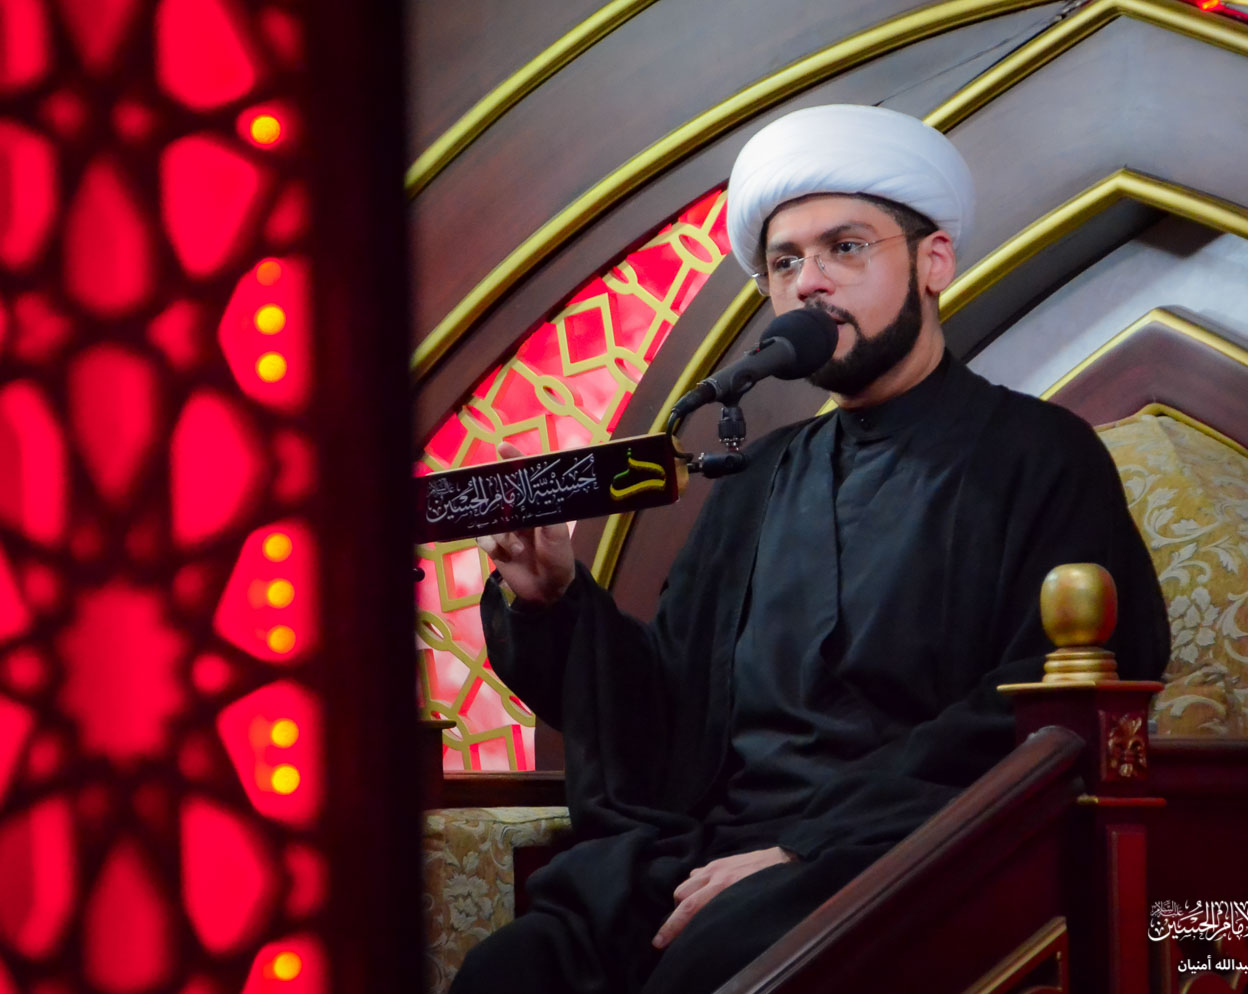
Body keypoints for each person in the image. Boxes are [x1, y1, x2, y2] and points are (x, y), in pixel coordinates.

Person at [455, 104, 1169, 994]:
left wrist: (807, 846)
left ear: (934, 262)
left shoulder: (1037, 455)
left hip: (910, 852)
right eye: (786, 262)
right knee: (517, 968)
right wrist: (555, 599)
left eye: (846, 248)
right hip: (717, 850)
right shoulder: (757, 479)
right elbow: (665, 718)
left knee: (721, 963)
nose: (811, 284)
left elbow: (1044, 716)